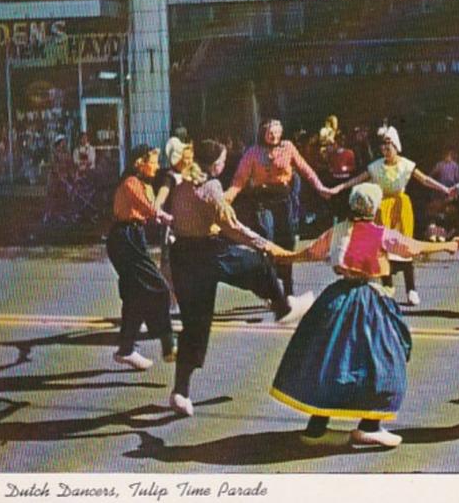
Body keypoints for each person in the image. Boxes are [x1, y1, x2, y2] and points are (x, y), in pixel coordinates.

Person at [270, 183, 458, 447]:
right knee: (384, 360)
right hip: (369, 300)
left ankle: (317, 426)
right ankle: (370, 425)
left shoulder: (337, 231)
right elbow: (412, 248)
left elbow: (310, 253)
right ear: (375, 207)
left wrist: (284, 257)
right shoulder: (380, 234)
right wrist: (446, 245)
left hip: (336, 300)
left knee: (332, 361)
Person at [168, 139, 314, 417]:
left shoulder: (181, 185)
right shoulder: (210, 186)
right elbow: (233, 227)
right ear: (215, 165)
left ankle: (180, 391)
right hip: (206, 252)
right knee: (256, 263)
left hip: (182, 256)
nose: (225, 165)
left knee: (194, 326)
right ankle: (282, 307)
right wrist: (267, 245)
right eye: (223, 161)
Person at [331, 125, 457, 306]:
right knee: (382, 249)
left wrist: (445, 189)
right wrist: (336, 189)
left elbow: (425, 180)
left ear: (396, 144)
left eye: (388, 144)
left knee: (404, 248)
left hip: (400, 208)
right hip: (382, 209)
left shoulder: (406, 164)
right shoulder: (375, 167)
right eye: (382, 145)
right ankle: (388, 286)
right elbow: (356, 180)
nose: (385, 148)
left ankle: (411, 289)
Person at [224, 119, 333, 296]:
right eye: (270, 133)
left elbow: (305, 169)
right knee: (267, 238)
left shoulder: (288, 147)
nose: (274, 136)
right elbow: (239, 180)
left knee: (288, 240)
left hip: (284, 200)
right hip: (263, 201)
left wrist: (320, 188)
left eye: (277, 132)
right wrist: (225, 199)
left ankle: (288, 286)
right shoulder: (253, 152)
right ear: (263, 133)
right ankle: (272, 286)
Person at [106, 145, 176, 371]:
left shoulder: (146, 184)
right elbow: (148, 208)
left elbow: (151, 210)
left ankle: (126, 349)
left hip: (133, 236)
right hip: (124, 238)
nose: (156, 166)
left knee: (135, 294)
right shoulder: (130, 184)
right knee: (159, 287)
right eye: (153, 161)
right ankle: (167, 342)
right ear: (139, 162)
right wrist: (165, 217)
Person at [154, 137, 195, 312]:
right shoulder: (170, 177)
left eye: (190, 157)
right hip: (173, 226)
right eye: (185, 157)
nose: (189, 160)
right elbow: (160, 199)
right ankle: (170, 300)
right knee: (168, 264)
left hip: (190, 224)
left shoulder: (193, 174)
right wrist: (159, 211)